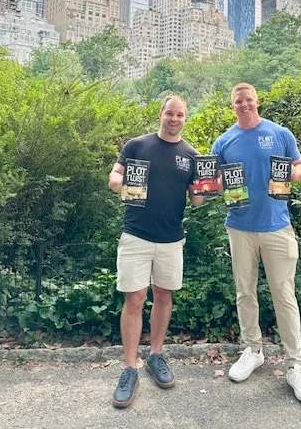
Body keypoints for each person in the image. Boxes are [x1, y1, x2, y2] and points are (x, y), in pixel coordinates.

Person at [211, 83, 301, 403]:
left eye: (248, 100)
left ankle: (295, 366)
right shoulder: (224, 140)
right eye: (237, 101)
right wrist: (218, 184)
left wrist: (294, 175)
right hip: (239, 228)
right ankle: (253, 350)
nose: (244, 105)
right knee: (245, 292)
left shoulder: (280, 133)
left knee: (284, 295)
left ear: (257, 101)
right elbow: (211, 181)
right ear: (232, 106)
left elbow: (300, 167)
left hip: (277, 227)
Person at [108, 95, 204, 408]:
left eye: (180, 115)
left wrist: (207, 187)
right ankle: (129, 367)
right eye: (170, 113)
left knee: (163, 296)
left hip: (172, 239)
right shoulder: (137, 145)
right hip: (136, 235)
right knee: (134, 299)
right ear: (160, 114)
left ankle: (156, 355)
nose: (174, 118)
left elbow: (197, 200)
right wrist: (118, 183)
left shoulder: (191, 155)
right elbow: (115, 176)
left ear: (185, 118)